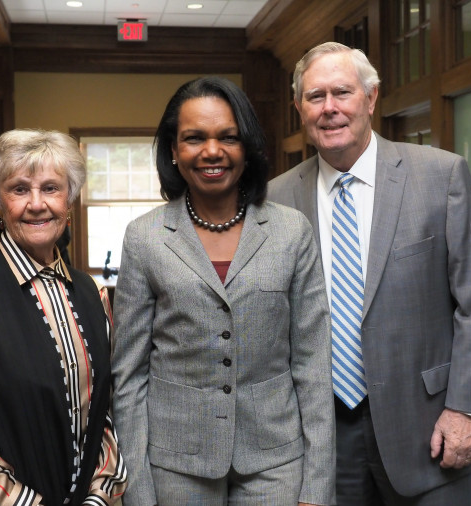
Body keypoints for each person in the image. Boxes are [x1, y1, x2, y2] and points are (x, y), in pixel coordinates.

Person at [267, 42, 471, 505]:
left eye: (342, 92)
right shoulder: (276, 199)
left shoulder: (441, 176)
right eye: (315, 97)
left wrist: (467, 409)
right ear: (299, 108)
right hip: (324, 438)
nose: (330, 108)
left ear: (371, 98)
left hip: (432, 427)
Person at [111, 76, 335, 506]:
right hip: (175, 463)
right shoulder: (145, 237)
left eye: (227, 137)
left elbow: (312, 362)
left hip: (276, 460)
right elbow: (129, 377)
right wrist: (136, 489)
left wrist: (317, 486)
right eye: (194, 138)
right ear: (174, 152)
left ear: (247, 148)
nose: (211, 151)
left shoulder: (291, 231)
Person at [0, 129, 127, 506]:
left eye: (51, 188)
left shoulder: (94, 296)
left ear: (69, 201)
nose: (37, 204)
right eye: (19, 189)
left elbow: (108, 415)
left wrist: (99, 496)